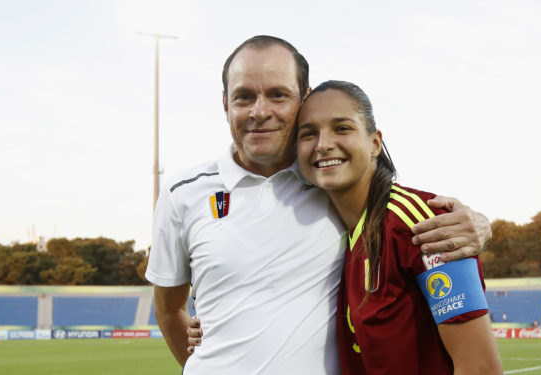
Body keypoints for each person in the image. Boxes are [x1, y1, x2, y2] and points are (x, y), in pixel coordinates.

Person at [148, 35, 493, 374]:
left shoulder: (342, 186)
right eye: (244, 97)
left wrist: (478, 223)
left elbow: (480, 365)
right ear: (225, 104)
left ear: (303, 98)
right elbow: (168, 309)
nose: (260, 111)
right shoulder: (183, 193)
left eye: (278, 95)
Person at [294, 80, 502, 374]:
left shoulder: (422, 222)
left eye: (342, 128)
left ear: (375, 143)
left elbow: (481, 368)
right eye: (308, 134)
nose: (323, 144)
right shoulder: (338, 232)